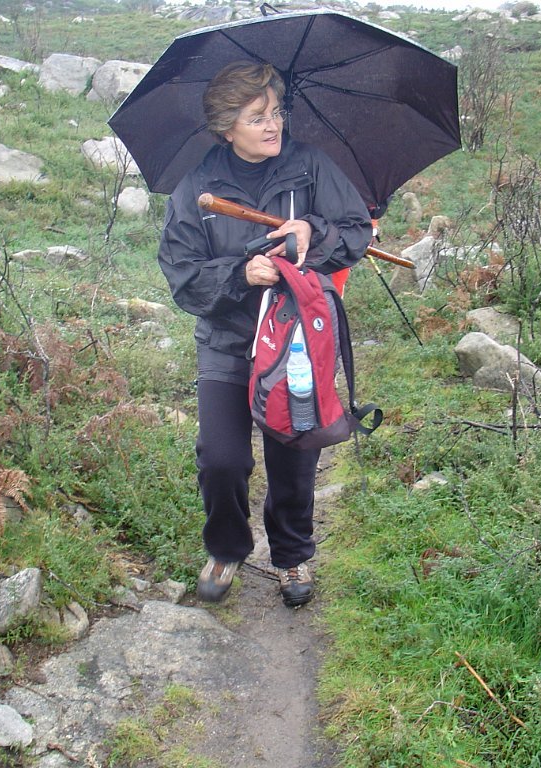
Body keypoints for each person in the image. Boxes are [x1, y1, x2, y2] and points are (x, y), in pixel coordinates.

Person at [157, 62, 372, 607]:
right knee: (221, 459)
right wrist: (240, 273)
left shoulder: (310, 167)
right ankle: (226, 548)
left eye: (276, 112)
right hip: (227, 340)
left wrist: (313, 232)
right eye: (257, 117)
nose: (273, 125)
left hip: (296, 338)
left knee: (295, 452)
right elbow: (182, 274)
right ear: (226, 127)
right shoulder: (198, 188)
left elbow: (356, 232)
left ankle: (291, 554)